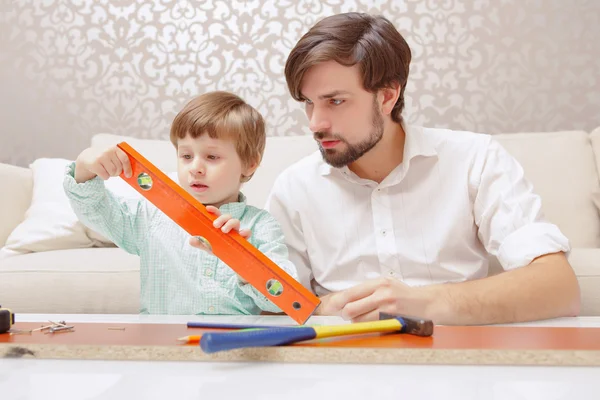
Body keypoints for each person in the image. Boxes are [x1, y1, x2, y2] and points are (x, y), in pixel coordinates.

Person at [264, 12, 580, 325]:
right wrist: (320, 308)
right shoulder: (294, 187)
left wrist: (420, 303)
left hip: (457, 359)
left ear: (387, 96)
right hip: (339, 360)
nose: (315, 123)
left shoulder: (475, 159)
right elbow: (270, 302)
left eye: (334, 101)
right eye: (308, 102)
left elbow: (559, 287)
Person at [63, 91, 298, 315]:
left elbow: (282, 300)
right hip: (163, 343)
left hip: (234, 343)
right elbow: (95, 210)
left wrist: (244, 260)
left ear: (249, 164)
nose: (195, 167)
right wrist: (84, 166)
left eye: (212, 157)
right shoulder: (151, 216)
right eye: (186, 156)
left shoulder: (261, 225)